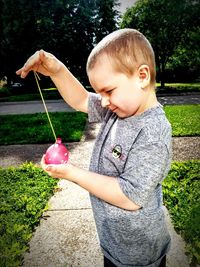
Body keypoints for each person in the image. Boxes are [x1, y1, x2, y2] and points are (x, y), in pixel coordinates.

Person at [16, 28, 172, 267]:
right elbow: (80, 99)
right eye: (100, 93)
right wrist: (56, 69)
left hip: (137, 254)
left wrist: (72, 173)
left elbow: (129, 197)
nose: (104, 100)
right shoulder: (117, 107)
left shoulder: (153, 133)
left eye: (108, 90)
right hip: (113, 244)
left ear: (142, 76)